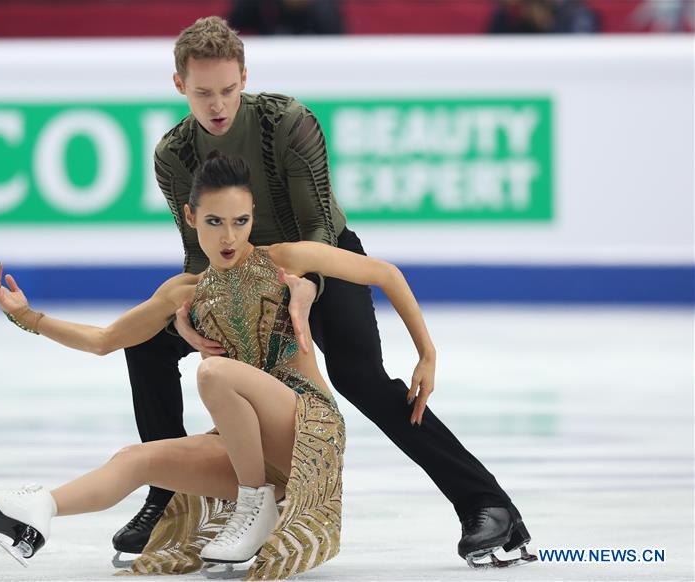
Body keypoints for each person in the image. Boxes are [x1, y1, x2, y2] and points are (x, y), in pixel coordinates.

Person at [114, 15, 536, 570]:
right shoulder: (173, 154)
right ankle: (167, 500)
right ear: (178, 86)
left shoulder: (288, 122)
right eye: (201, 93)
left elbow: (315, 227)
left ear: (245, 76)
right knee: (147, 340)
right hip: (238, 276)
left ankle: (488, 505)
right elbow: (199, 249)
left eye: (227, 89)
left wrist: (300, 294)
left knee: (362, 379)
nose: (216, 104)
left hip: (321, 262)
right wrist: (190, 312)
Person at [0, 152, 442, 578]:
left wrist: (426, 353)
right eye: (214, 222)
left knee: (211, 372)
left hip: (305, 424)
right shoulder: (183, 291)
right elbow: (105, 340)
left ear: (252, 217)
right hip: (251, 447)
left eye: (240, 221)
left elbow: (385, 273)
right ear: (191, 216)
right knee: (136, 459)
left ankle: (255, 505)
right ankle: (37, 511)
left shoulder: (285, 259)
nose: (229, 236)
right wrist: (28, 317)